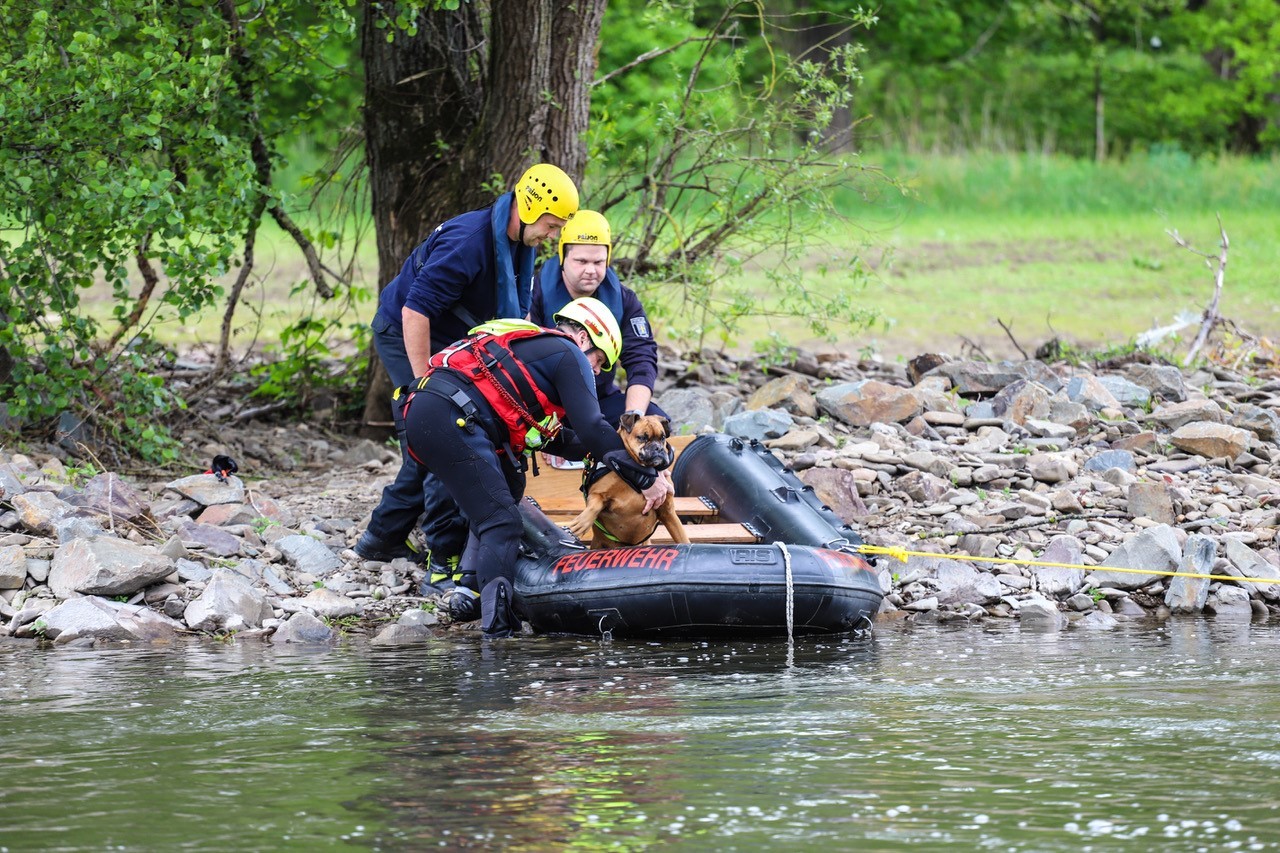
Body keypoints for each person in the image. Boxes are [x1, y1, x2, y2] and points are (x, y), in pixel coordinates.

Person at [355, 164, 580, 599]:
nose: (552, 236)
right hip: (409, 333)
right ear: (531, 207)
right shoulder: (468, 243)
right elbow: (414, 310)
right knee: (448, 432)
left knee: (446, 436)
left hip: (454, 336)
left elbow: (515, 319)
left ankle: (382, 536)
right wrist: (425, 388)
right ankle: (444, 561)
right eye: (552, 226)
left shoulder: (518, 244)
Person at [399, 297, 675, 637]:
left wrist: (607, 453)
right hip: (451, 417)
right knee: (501, 522)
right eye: (599, 361)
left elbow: (562, 439)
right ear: (586, 339)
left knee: (505, 493)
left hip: (427, 413)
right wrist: (647, 479)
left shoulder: (533, 352)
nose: (595, 372)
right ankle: (497, 634)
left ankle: (470, 591)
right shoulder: (568, 352)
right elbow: (591, 427)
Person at [528, 209, 666, 427]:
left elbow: (642, 358)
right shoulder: (534, 293)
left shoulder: (624, 300)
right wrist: (544, 422)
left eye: (598, 262)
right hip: (545, 407)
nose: (591, 270)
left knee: (653, 422)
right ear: (563, 257)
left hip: (598, 400)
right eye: (581, 261)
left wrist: (633, 417)